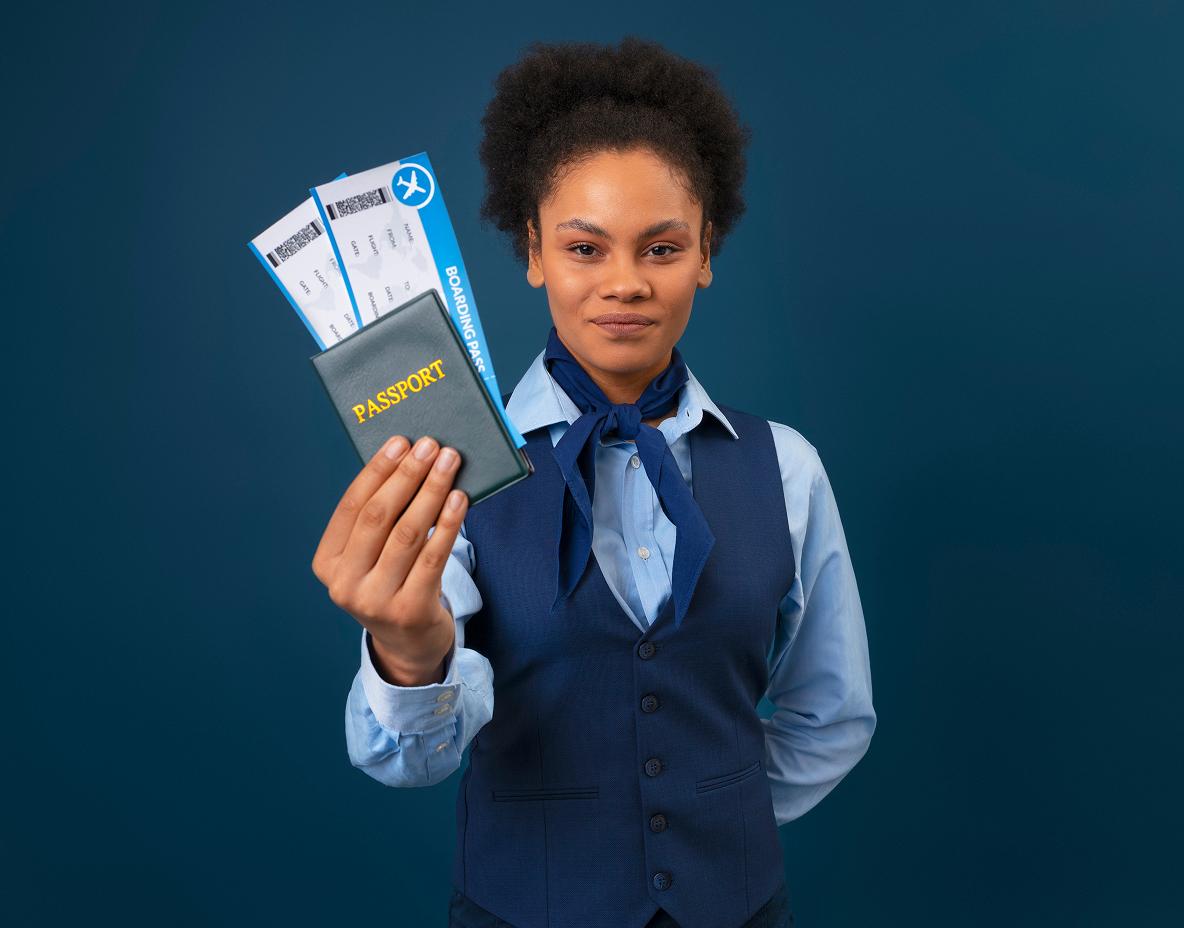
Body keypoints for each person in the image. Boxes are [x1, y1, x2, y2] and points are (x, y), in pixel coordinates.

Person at [312, 37, 875, 928]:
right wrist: (409, 655)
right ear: (533, 251)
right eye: (585, 247)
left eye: (662, 248)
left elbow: (833, 713)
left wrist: (719, 809)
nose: (625, 284)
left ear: (706, 253)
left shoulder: (788, 467)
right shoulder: (452, 466)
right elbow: (407, 761)